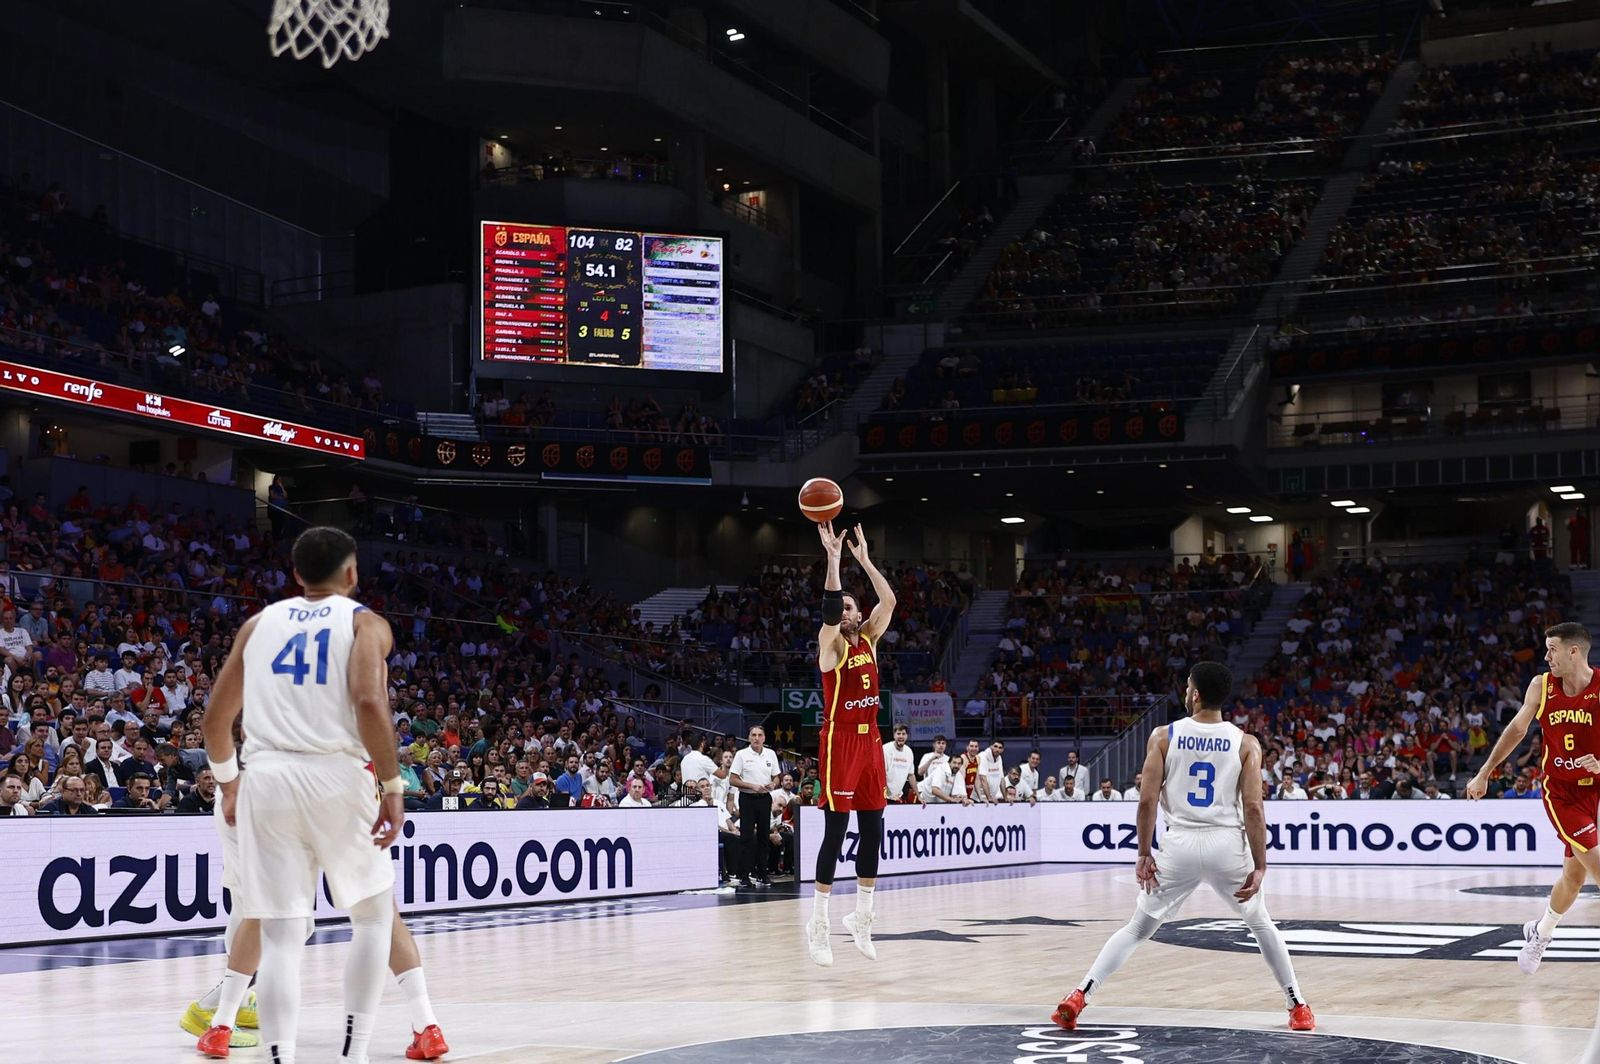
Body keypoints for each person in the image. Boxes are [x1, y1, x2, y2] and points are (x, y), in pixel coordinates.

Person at [201, 526, 405, 1064]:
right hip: (336, 772)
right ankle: (353, 1053)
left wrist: (228, 784)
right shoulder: (366, 622)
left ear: (296, 575)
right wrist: (392, 785)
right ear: (353, 572)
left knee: (281, 935)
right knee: (371, 916)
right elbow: (367, 701)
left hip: (265, 777)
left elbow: (215, 720)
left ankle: (279, 1057)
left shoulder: (256, 624)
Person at [1052, 661, 1314, 1033]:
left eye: (1188, 685)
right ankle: (1298, 1006)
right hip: (1227, 845)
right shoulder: (1247, 744)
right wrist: (1260, 864)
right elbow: (1253, 808)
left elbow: (1147, 801)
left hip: (1179, 846)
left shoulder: (1163, 736)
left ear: (1195, 694)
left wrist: (1144, 852)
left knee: (1138, 928)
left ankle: (1080, 994)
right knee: (1260, 924)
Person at [1467, 622, 1600, 974]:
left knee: (1573, 879)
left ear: (1574, 651)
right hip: (1563, 794)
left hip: (1598, 789)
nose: (1546, 656)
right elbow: (1516, 729)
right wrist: (1484, 772)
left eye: (1552, 649)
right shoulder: (1542, 686)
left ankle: (1540, 933)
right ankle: (1541, 934)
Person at [808, 521, 896, 967]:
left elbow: (890, 601)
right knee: (835, 833)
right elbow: (827, 609)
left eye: (849, 606)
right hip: (839, 742)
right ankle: (818, 924)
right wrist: (835, 560)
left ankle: (861, 917)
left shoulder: (870, 640)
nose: (844, 611)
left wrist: (865, 561)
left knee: (873, 832)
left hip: (871, 743)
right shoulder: (831, 646)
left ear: (859, 615)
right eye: (839, 607)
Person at [730, 724, 781, 886]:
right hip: (747, 798)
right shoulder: (741, 755)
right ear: (749, 737)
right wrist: (752, 786)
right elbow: (733, 779)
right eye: (753, 735)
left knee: (764, 837)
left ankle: (762, 873)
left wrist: (774, 783)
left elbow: (777, 777)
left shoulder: (770, 754)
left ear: (764, 738)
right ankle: (744, 875)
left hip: (765, 798)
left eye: (760, 735)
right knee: (747, 837)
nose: (757, 738)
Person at [882, 724, 916, 803]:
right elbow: (881, 775)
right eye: (898, 734)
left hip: (897, 797)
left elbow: (911, 775)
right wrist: (889, 794)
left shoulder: (909, 751)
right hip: (882, 796)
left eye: (903, 734)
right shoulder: (885, 749)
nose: (901, 736)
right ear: (894, 735)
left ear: (907, 736)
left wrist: (918, 795)